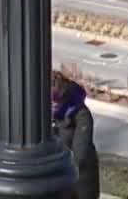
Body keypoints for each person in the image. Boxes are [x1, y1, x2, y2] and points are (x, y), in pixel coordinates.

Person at [51, 70, 99, 199]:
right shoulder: (49, 115)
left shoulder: (81, 114)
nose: (53, 104)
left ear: (63, 95)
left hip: (81, 179)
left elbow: (81, 153)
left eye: (55, 98)